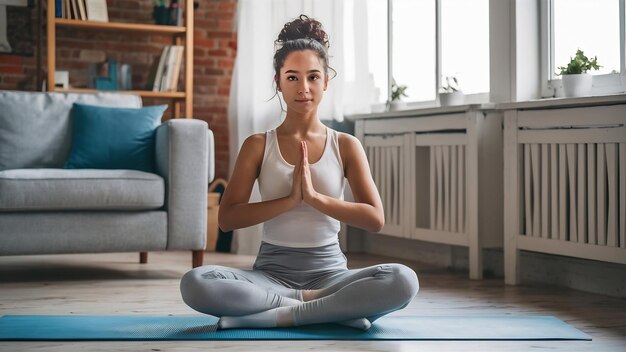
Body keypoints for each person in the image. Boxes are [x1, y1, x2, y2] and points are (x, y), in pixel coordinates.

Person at [180, 14, 419, 331]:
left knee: (403, 279)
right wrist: (291, 199)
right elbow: (227, 219)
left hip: (331, 277)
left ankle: (277, 315)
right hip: (269, 278)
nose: (303, 88)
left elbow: (375, 218)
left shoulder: (346, 145)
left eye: (313, 77)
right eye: (292, 77)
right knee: (196, 281)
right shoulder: (257, 145)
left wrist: (315, 198)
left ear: (326, 81)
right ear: (278, 81)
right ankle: (331, 312)